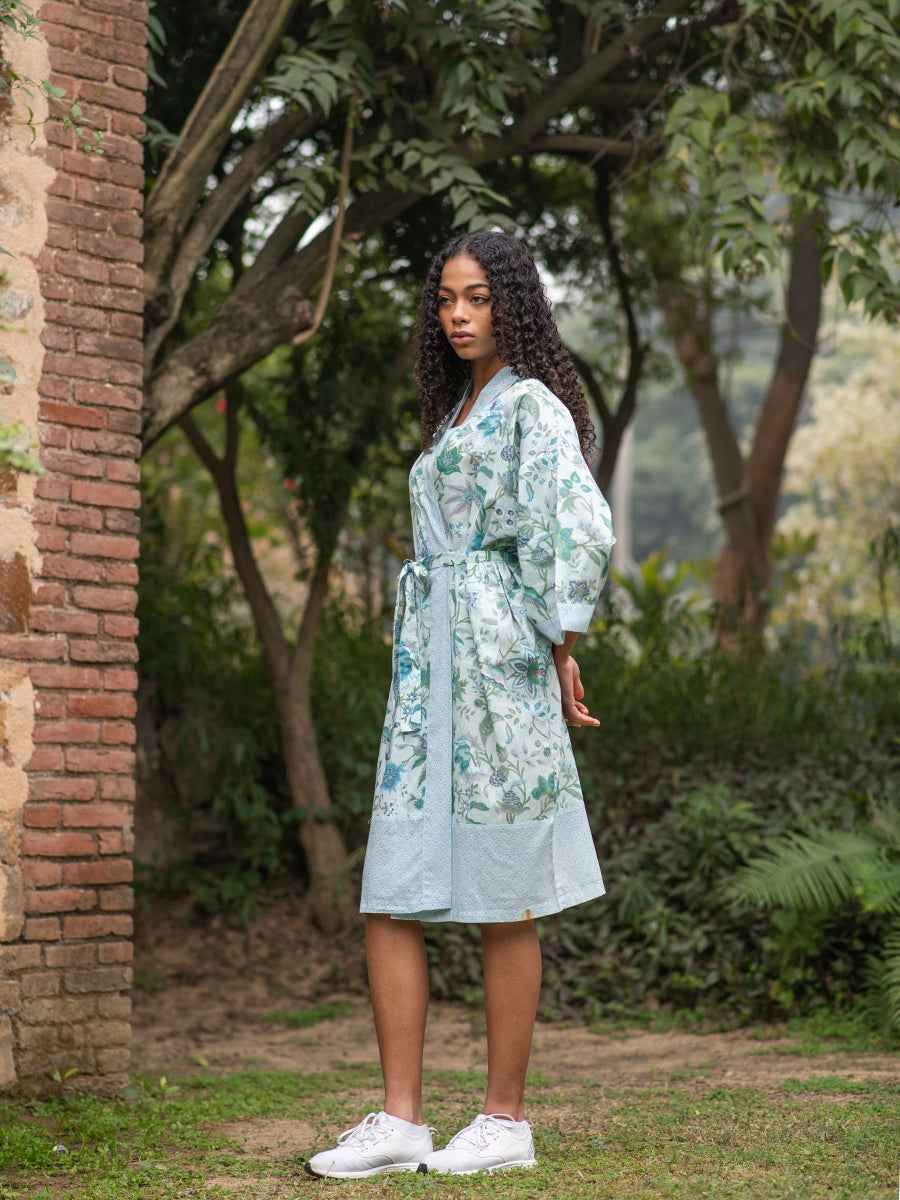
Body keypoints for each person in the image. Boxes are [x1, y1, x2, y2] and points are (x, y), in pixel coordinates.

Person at [305, 230, 616, 1179]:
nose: (457, 315)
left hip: (498, 664)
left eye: (477, 297)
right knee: (392, 882)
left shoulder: (531, 407)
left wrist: (560, 643)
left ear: (512, 303)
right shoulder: (454, 414)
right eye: (445, 299)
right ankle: (401, 1120)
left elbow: (573, 524)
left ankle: (504, 1121)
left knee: (502, 888)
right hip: (428, 663)